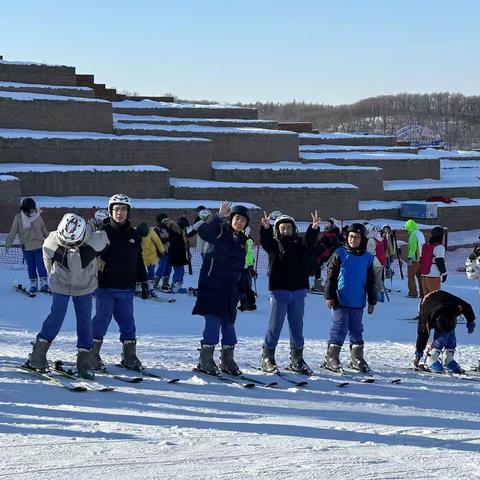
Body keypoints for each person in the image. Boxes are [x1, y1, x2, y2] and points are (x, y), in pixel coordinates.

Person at [25, 213, 109, 379]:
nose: (70, 245)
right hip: (61, 285)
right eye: (66, 243)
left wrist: (99, 226)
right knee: (56, 317)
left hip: (85, 286)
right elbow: (47, 261)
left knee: (85, 322)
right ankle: (37, 355)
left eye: (74, 243)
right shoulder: (51, 241)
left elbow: (105, 239)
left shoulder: (94, 240)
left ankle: (84, 362)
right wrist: (54, 278)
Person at [91, 194, 149, 371]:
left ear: (128, 212)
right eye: (116, 209)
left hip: (127, 288)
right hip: (105, 287)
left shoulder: (133, 234)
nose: (119, 213)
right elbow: (90, 257)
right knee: (101, 321)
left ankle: (129, 356)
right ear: (110, 211)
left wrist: (144, 281)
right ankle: (91, 354)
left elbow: (138, 259)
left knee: (128, 323)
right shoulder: (103, 233)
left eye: (123, 209)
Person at [193, 201, 249, 376]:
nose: (239, 222)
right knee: (212, 324)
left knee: (229, 326)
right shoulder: (219, 231)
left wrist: (245, 290)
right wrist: (218, 217)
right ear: (231, 218)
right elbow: (202, 231)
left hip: (230, 290)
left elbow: (242, 268)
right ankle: (205, 359)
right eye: (237, 218)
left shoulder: (243, 242)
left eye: (243, 220)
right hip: (212, 286)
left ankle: (227, 360)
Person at [260, 211, 320, 374]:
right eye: (282, 228)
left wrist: (313, 229)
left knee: (297, 325)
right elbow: (265, 242)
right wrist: (265, 229)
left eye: (288, 227)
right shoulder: (274, 245)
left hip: (299, 290)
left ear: (294, 229)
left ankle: (297, 359)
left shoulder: (300, 243)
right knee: (275, 325)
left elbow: (309, 241)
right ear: (277, 230)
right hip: (280, 291)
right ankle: (268, 357)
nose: (286, 231)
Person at [323, 223, 376, 373]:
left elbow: (371, 282)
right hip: (340, 299)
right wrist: (329, 295)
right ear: (347, 237)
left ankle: (357, 358)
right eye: (351, 236)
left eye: (357, 237)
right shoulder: (339, 253)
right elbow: (331, 277)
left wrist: (372, 300)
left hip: (357, 300)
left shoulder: (368, 258)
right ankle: (332, 357)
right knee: (339, 327)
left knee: (356, 329)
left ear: (362, 239)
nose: (354, 239)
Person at [414, 290, 475, 373]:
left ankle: (448, 358)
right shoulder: (426, 315)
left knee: (449, 332)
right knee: (442, 337)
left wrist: (471, 322)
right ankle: (431, 358)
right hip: (437, 313)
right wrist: (419, 352)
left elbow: (467, 306)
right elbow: (422, 334)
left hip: (448, 310)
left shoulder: (455, 306)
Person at [5, 198, 49, 294]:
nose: (33, 211)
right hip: (27, 248)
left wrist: (50, 239)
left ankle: (44, 283)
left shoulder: (37, 216)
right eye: (31, 209)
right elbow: (13, 232)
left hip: (39, 246)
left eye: (34, 209)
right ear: (25, 209)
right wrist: (8, 243)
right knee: (31, 267)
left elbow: (43, 229)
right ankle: (33, 284)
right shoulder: (18, 218)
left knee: (41, 265)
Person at [162, 216, 190, 293]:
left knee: (181, 271)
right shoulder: (174, 232)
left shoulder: (179, 231)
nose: (185, 228)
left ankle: (178, 284)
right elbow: (174, 244)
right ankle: (175, 285)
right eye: (185, 226)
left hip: (179, 254)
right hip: (176, 254)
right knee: (178, 271)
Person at [137, 222, 165, 297]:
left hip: (152, 256)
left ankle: (150, 288)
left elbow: (158, 242)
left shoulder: (151, 232)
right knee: (140, 272)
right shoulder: (136, 234)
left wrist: (162, 250)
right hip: (142, 257)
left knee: (151, 272)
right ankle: (140, 288)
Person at [419, 226, 446, 295]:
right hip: (433, 275)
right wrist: (444, 273)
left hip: (424, 274)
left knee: (427, 298)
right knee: (435, 298)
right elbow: (440, 261)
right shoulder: (439, 247)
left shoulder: (426, 245)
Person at [365, 224, 387, 303]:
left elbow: (369, 252)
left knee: (371, 280)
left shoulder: (371, 239)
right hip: (380, 262)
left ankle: (375, 297)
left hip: (374, 262)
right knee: (378, 281)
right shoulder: (378, 238)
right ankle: (381, 297)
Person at [404, 219, 425, 298]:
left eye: (407, 228)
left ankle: (412, 293)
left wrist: (410, 258)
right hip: (421, 258)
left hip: (414, 259)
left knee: (411, 276)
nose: (406, 230)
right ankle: (423, 293)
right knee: (420, 276)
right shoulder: (420, 233)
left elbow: (412, 248)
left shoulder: (413, 235)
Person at [238, 226, 257, 311]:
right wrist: (251, 266)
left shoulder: (244, 240)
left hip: (242, 266)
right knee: (246, 286)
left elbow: (248, 253)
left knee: (243, 286)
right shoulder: (249, 240)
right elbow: (249, 254)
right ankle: (247, 303)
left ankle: (248, 304)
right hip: (246, 266)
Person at [153, 213, 172, 291]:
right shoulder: (157, 230)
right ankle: (155, 282)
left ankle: (165, 282)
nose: (167, 222)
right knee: (162, 267)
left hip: (170, 252)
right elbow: (155, 241)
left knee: (168, 267)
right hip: (162, 252)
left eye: (168, 220)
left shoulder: (170, 229)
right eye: (165, 220)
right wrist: (164, 240)